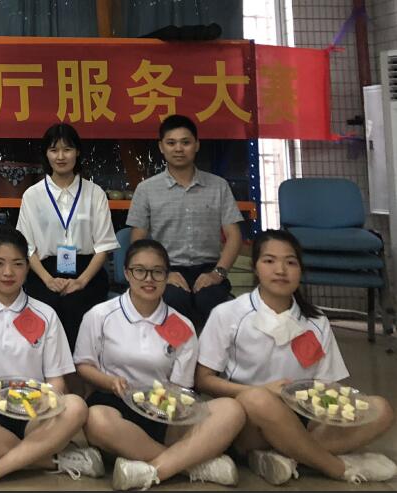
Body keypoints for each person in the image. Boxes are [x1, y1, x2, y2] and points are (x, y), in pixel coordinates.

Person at [195, 229, 396, 485]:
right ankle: (335, 467)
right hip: (250, 421)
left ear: (301, 270)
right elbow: (203, 380)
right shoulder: (228, 314)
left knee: (380, 409)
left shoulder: (316, 321)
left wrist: (331, 402)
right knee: (259, 399)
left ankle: (285, 456)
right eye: (269, 261)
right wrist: (260, 390)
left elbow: (328, 384)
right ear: (255, 267)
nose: (281, 270)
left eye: (290, 262)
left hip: (304, 419)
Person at [74, 238, 244, 489]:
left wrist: (170, 404)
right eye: (140, 271)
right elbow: (84, 365)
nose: (149, 279)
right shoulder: (100, 315)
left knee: (231, 410)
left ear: (167, 276)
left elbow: (181, 387)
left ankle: (152, 469)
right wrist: (110, 382)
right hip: (115, 405)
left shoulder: (182, 325)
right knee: (96, 419)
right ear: (126, 273)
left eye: (157, 272)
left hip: (165, 411)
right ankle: (191, 465)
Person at [0, 226, 102, 490]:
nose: (8, 272)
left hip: (37, 413)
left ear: (28, 267)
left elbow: (57, 380)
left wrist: (45, 402)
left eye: (18, 264)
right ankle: (54, 461)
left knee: (76, 406)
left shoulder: (46, 314)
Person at [126, 114, 243, 330]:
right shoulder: (147, 189)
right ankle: (177, 351)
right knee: (174, 301)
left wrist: (217, 274)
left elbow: (234, 235)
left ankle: (208, 352)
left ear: (197, 145)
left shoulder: (218, 186)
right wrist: (162, 273)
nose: (178, 149)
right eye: (171, 143)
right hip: (164, 270)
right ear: (161, 147)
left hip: (209, 268)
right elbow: (138, 239)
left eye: (185, 142)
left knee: (211, 302)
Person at [16, 123, 118, 349]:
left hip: (87, 271)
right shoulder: (32, 195)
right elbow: (26, 247)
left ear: (77, 152)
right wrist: (48, 280)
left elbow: (104, 246)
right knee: (48, 307)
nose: (60, 156)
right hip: (44, 272)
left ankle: (79, 367)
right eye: (54, 150)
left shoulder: (95, 193)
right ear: (46, 154)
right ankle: (49, 367)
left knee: (76, 305)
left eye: (67, 149)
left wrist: (81, 281)